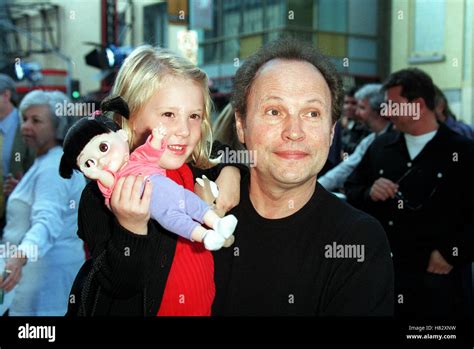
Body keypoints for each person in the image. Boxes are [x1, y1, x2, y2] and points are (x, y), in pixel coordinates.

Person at [212, 38, 394, 316]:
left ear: (331, 132)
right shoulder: (198, 211)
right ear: (240, 125)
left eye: (312, 113)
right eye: (274, 111)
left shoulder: (357, 242)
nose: (294, 132)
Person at [71, 45, 242, 316]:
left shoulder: (194, 169)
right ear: (128, 117)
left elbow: (232, 154)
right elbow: (118, 284)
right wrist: (131, 227)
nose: (184, 130)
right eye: (168, 114)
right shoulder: (99, 197)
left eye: (194, 116)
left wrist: (232, 171)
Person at [345, 68, 474, 317]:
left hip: (440, 282)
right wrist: (369, 191)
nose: (387, 112)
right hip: (387, 276)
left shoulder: (462, 151)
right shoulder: (380, 146)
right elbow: (352, 189)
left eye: (393, 105)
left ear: (418, 105)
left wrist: (452, 253)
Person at [60, 99, 237, 250]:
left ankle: (218, 223)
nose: (99, 160)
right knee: (177, 221)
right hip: (163, 212)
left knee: (194, 204)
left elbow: (151, 151)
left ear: (121, 135)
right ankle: (205, 236)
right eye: (88, 163)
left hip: (177, 194)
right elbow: (115, 278)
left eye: (103, 148)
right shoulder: (101, 194)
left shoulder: (141, 158)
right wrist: (132, 227)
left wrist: (232, 169)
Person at [0, 90, 85, 316]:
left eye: (36, 121)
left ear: (57, 126)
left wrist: (18, 258)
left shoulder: (52, 167)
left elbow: (46, 221)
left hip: (46, 281)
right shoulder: (49, 161)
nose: (26, 126)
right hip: (41, 278)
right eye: (25, 119)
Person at [319, 84, 392, 192]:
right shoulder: (369, 140)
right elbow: (346, 167)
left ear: (377, 111)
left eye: (362, 108)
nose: (357, 112)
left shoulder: (394, 138)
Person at [0, 74, 35, 236]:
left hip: (19, 215)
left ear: (6, 95)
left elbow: (38, 167)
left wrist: (23, 186)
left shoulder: (28, 126)